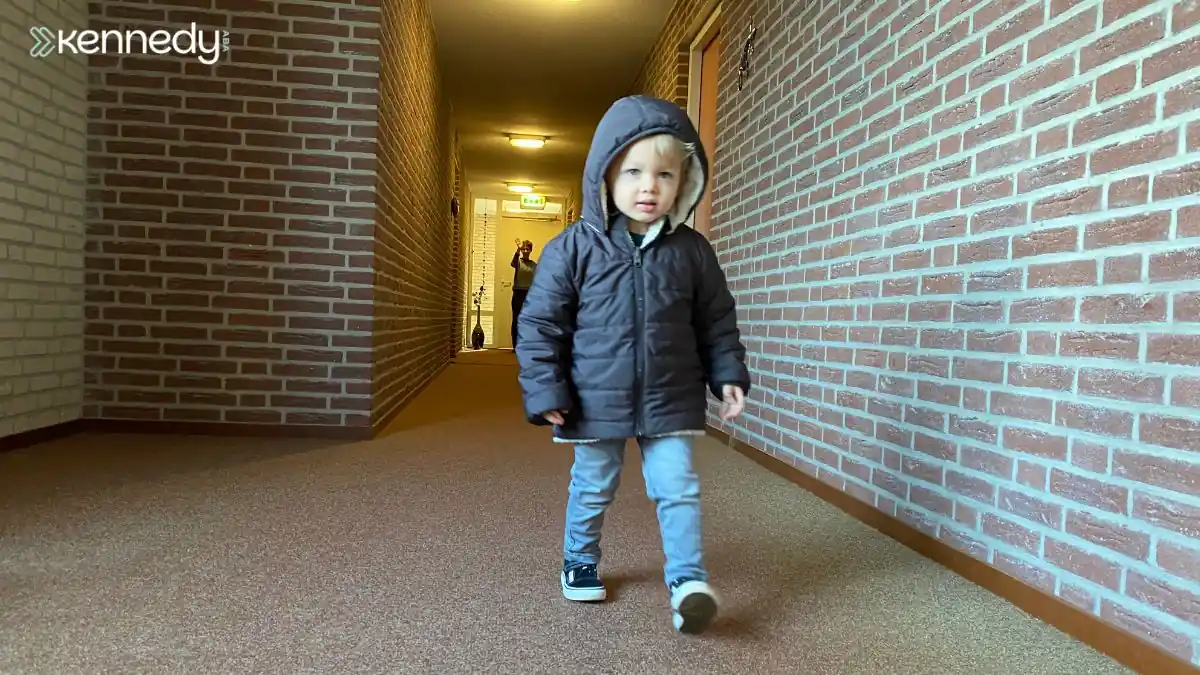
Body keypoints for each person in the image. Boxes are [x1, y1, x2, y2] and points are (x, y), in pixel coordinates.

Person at [514, 95, 750, 635]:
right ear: (606, 177)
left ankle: (688, 582)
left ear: (683, 182)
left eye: (665, 174)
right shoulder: (574, 248)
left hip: (670, 393)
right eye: (635, 172)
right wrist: (546, 389)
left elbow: (716, 318)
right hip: (595, 394)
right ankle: (579, 558)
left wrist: (729, 372)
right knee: (595, 482)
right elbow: (541, 323)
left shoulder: (692, 251)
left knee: (678, 485)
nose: (649, 187)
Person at [510, 239, 536, 348]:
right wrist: (518, 250)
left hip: (529, 295)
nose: (525, 250)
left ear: (530, 250)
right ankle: (515, 346)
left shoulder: (534, 265)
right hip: (518, 294)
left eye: (527, 248)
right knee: (516, 320)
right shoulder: (518, 262)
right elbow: (513, 263)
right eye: (524, 248)